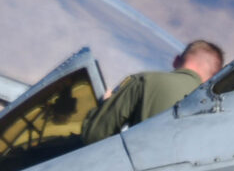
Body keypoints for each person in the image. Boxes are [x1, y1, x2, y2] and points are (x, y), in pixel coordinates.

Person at [79, 40, 224, 144]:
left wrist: (106, 105)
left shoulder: (145, 81)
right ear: (213, 78)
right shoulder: (216, 114)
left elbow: (94, 135)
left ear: (176, 60)